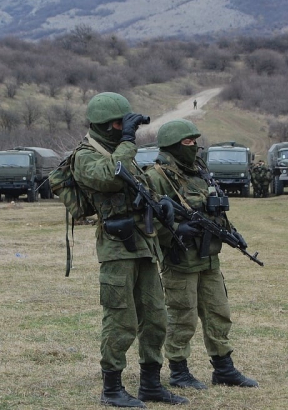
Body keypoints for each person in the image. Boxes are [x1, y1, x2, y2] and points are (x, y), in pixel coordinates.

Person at [73, 92, 187, 407]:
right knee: (120, 319)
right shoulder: (85, 156)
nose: (125, 129)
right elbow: (111, 176)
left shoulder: (123, 153)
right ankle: (112, 389)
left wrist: (162, 203)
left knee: (155, 317)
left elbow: (138, 186)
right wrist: (127, 139)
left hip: (144, 244)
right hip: (116, 248)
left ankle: (151, 385)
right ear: (103, 125)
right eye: (118, 124)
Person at [145, 119, 259, 391]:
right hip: (180, 259)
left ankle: (224, 368)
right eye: (187, 142)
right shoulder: (157, 177)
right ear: (173, 145)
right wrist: (176, 228)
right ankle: (178, 371)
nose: (194, 146)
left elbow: (215, 210)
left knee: (219, 312)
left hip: (208, 257)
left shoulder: (200, 172)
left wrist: (231, 231)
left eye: (195, 141)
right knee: (182, 316)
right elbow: (148, 219)